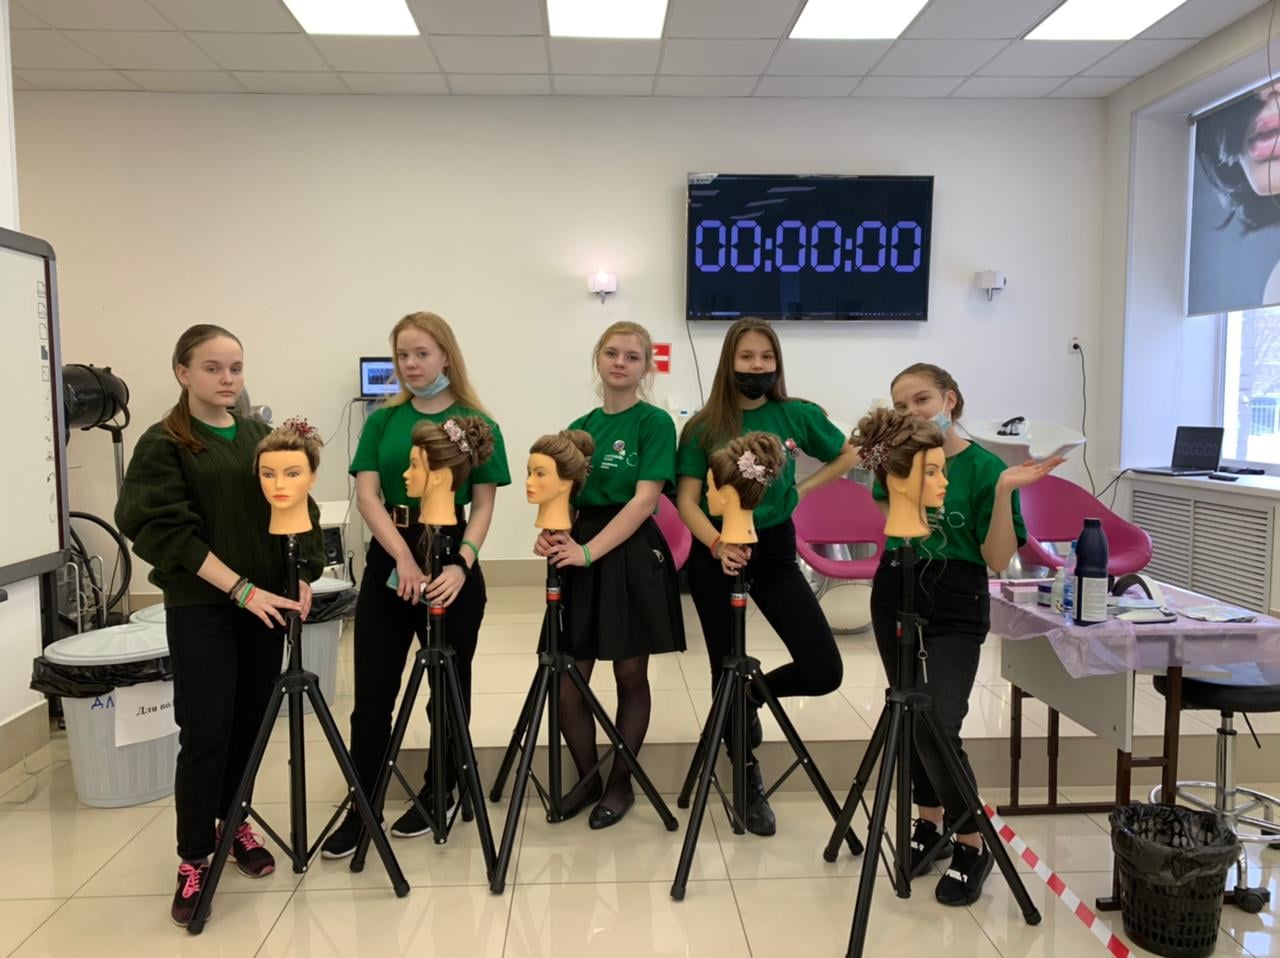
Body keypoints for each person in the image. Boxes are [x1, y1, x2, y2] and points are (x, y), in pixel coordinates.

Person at [115, 325, 323, 926]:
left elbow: (298, 506)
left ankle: (235, 824)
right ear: (182, 373)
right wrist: (238, 588)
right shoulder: (164, 444)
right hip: (204, 609)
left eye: (235, 367)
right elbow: (163, 529)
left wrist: (302, 574)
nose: (227, 378)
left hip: (266, 607)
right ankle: (194, 855)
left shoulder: (259, 436)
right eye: (212, 368)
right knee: (206, 730)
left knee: (249, 726)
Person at [860, 363, 1060, 906]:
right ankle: (930, 824)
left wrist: (1003, 491)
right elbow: (891, 519)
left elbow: (997, 559)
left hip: (958, 595)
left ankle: (973, 842)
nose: (912, 412)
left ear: (950, 399)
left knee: (939, 722)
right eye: (900, 405)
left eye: (922, 399)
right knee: (908, 715)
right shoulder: (897, 461)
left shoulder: (986, 468)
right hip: (898, 586)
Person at [323, 312, 509, 858]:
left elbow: (483, 504)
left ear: (445, 355)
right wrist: (402, 557)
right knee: (372, 694)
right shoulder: (384, 421)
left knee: (448, 688)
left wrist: (462, 565)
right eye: (402, 355)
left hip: (453, 557)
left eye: (421, 353)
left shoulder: (477, 423)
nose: (410, 364)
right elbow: (368, 497)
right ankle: (363, 804)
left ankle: (439, 789)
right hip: (392, 554)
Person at [675, 317, 858, 836]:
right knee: (724, 667)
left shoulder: (797, 414)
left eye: (766, 357)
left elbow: (849, 453)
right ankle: (746, 776)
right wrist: (715, 544)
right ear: (729, 362)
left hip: (775, 551)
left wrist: (804, 488)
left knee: (823, 669)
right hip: (717, 554)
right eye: (747, 357)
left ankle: (749, 697)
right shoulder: (703, 426)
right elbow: (686, 500)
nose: (757, 366)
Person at [533, 322, 686, 828]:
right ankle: (588, 780)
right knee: (568, 679)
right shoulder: (579, 428)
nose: (621, 363)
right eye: (612, 353)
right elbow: (563, 499)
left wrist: (588, 552)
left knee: (629, 674)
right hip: (581, 547)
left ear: (646, 367)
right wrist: (552, 535)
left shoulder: (655, 423)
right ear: (598, 359)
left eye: (632, 356)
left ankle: (621, 784)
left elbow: (644, 502)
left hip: (629, 551)